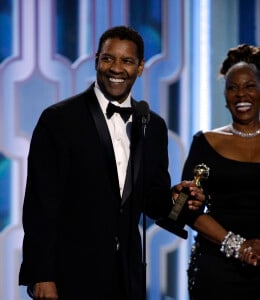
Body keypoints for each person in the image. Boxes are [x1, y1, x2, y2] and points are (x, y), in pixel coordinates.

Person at [19, 25, 204, 300]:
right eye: (109, 58)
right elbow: (40, 204)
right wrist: (41, 274)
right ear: (96, 61)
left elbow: (151, 200)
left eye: (127, 61)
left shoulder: (153, 126)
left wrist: (176, 198)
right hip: (69, 274)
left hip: (127, 277)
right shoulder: (58, 120)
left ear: (140, 67)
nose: (116, 68)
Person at [183, 44, 260, 300]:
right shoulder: (205, 142)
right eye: (232, 87)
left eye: (249, 86)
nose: (241, 95)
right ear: (225, 95)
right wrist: (238, 246)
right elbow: (186, 207)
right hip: (216, 269)